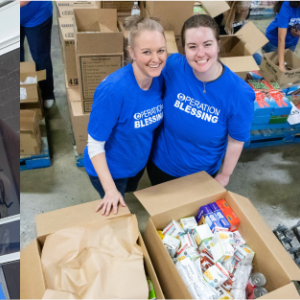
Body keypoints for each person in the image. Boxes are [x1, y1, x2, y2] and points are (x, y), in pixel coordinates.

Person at [147, 14, 255, 188]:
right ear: (184, 49)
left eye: (207, 44)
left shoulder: (239, 94)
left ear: (218, 45)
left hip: (200, 176)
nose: (200, 53)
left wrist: (225, 175)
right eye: (192, 46)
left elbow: (236, 140)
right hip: (161, 166)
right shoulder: (173, 66)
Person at [84, 17, 167, 216]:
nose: (155, 59)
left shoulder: (159, 78)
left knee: (131, 190)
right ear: (131, 52)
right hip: (111, 171)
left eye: (161, 50)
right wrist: (110, 189)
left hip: (137, 165)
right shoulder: (113, 91)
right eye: (146, 52)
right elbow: (94, 144)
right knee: (119, 210)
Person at [20, 0, 55, 109]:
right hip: (7, 16)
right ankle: (22, 88)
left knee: (40, 57)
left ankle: (47, 93)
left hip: (36, 13)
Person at [264, 0, 300, 71]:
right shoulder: (287, 5)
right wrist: (281, 66)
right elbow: (281, 38)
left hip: (291, 41)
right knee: (271, 69)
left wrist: (298, 32)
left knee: (287, 65)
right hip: (275, 40)